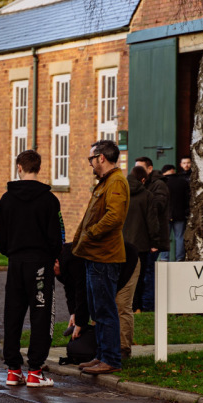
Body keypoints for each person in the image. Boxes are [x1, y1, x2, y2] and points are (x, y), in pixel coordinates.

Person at [0, 149, 63, 388]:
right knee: (41, 314)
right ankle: (35, 370)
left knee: (13, 313)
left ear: (19, 168)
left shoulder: (6, 199)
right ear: (39, 168)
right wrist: (53, 256)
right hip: (41, 264)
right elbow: (57, 236)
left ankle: (13, 370)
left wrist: (12, 252)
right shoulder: (50, 200)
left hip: (15, 263)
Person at [72, 140, 129, 375]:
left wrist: (91, 233)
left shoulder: (116, 182)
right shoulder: (107, 182)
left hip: (104, 257)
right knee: (98, 311)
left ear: (101, 158)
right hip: (95, 255)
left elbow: (114, 216)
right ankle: (102, 355)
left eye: (91, 159)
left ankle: (111, 359)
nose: (90, 164)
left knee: (105, 310)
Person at [119, 166, 151, 362]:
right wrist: (157, 242)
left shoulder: (120, 191)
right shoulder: (146, 195)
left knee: (117, 296)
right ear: (143, 179)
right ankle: (138, 307)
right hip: (140, 244)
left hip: (119, 245)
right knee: (139, 280)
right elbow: (151, 220)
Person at [133, 156, 169, 310]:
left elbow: (158, 206)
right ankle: (139, 305)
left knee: (148, 274)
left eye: (141, 168)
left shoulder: (158, 185)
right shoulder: (138, 184)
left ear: (149, 168)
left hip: (152, 238)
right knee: (139, 274)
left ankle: (148, 306)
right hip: (140, 237)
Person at [162, 162, 190, 262]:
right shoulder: (182, 182)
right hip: (180, 214)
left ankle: (164, 258)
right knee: (179, 237)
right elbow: (187, 198)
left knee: (165, 237)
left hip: (165, 215)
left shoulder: (162, 182)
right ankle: (180, 258)